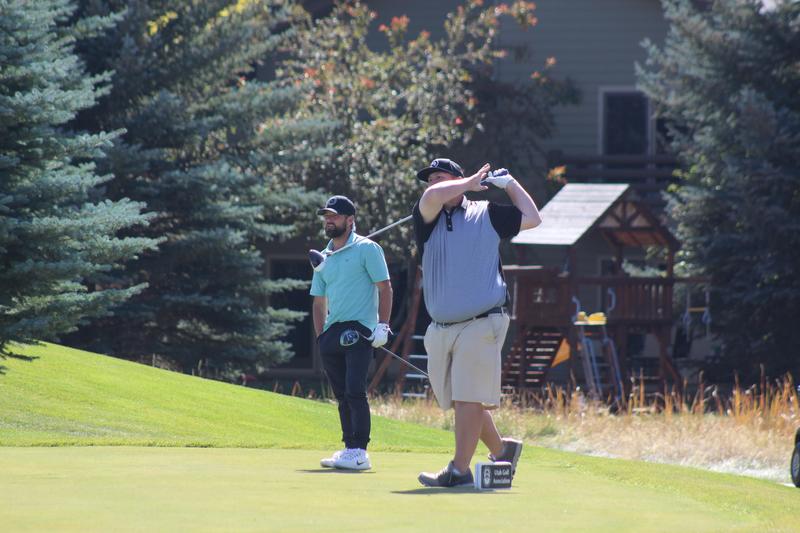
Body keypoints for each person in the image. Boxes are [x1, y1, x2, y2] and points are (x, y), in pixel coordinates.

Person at [413, 158, 542, 487]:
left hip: (482, 320)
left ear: (458, 179)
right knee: (460, 398)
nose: (434, 184)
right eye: (430, 179)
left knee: (468, 397)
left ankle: (459, 470)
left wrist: (510, 184)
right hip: (441, 327)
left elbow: (532, 218)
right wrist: (467, 182)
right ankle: (503, 451)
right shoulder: (426, 215)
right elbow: (433, 196)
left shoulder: (487, 213)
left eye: (440, 177)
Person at [310, 195, 393, 470]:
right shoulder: (323, 257)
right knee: (341, 395)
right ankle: (349, 448)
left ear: (350, 220)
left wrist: (383, 325)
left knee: (355, 390)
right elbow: (318, 301)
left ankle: (360, 452)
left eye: (334, 216)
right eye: (326, 216)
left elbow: (385, 288)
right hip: (332, 332)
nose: (328, 221)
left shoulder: (367, 249)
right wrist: (321, 336)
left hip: (359, 330)